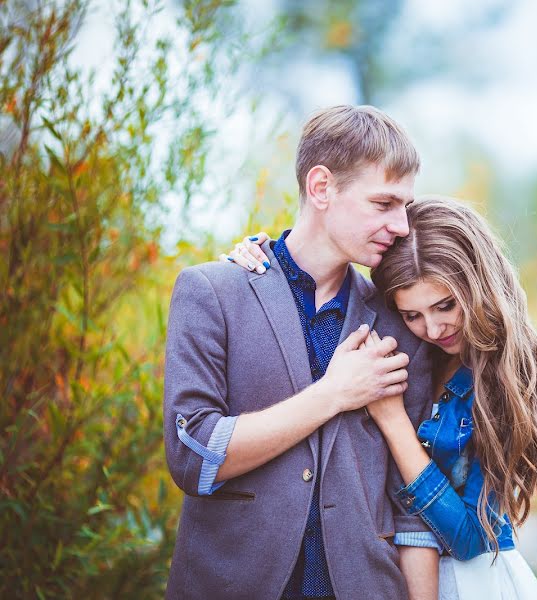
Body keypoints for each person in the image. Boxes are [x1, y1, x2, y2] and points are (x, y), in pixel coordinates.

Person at [163, 105, 442, 600]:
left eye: (405, 205)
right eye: (383, 203)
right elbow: (192, 456)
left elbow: (410, 504)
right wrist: (334, 394)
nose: (401, 225)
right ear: (321, 188)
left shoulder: (404, 322)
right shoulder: (211, 292)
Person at [231, 195, 537, 598]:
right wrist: (266, 259)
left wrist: (393, 422)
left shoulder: (505, 382)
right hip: (389, 577)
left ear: (477, 285)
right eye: (412, 315)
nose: (433, 327)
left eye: (445, 306)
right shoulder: (412, 349)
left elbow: (468, 537)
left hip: (475, 582)